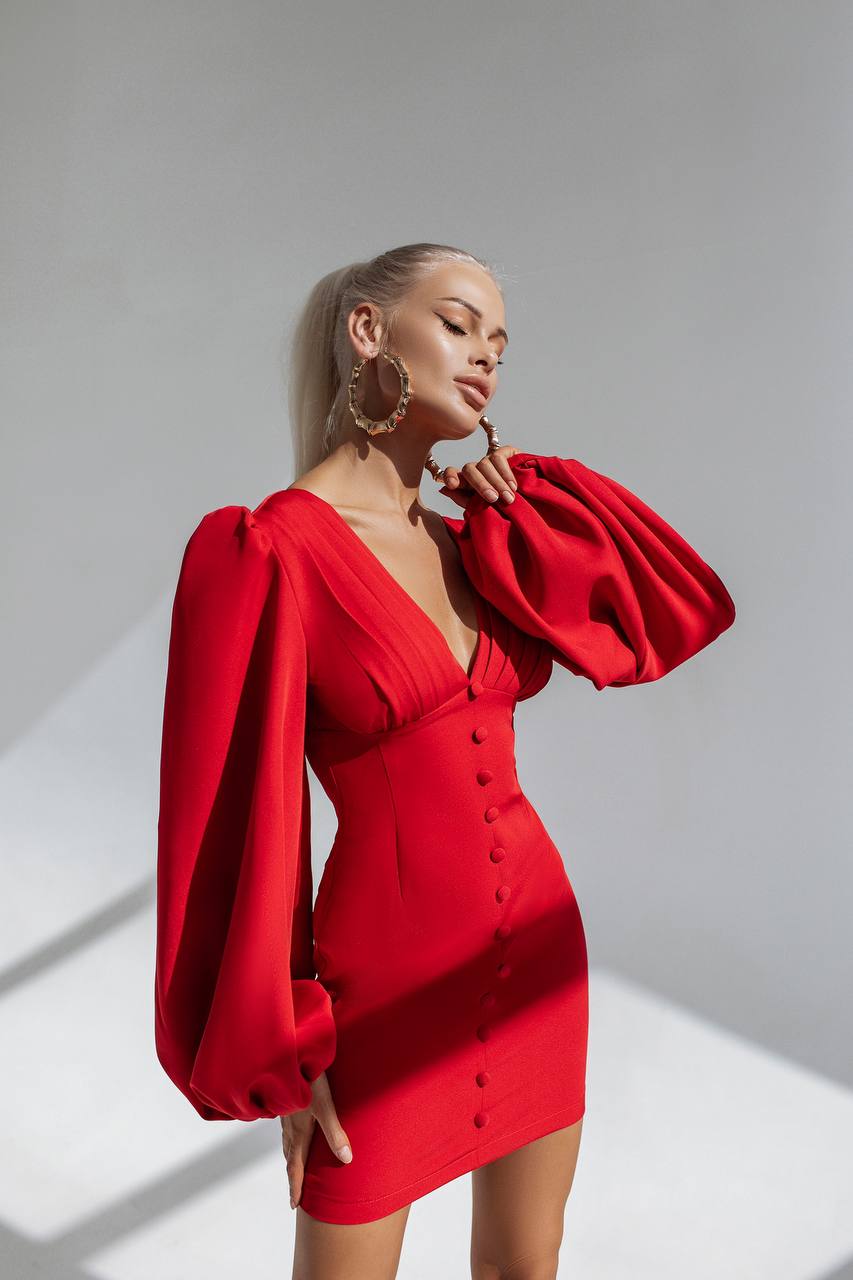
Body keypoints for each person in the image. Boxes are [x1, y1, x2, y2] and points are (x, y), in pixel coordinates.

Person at [154, 242, 736, 1279]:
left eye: (500, 347)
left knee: (525, 1268)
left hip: (540, 959)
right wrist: (284, 1048)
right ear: (369, 333)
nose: (485, 361)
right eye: (460, 325)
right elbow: (237, 821)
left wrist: (533, 510)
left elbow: (665, 615)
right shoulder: (266, 550)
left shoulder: (476, 541)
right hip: (379, 991)